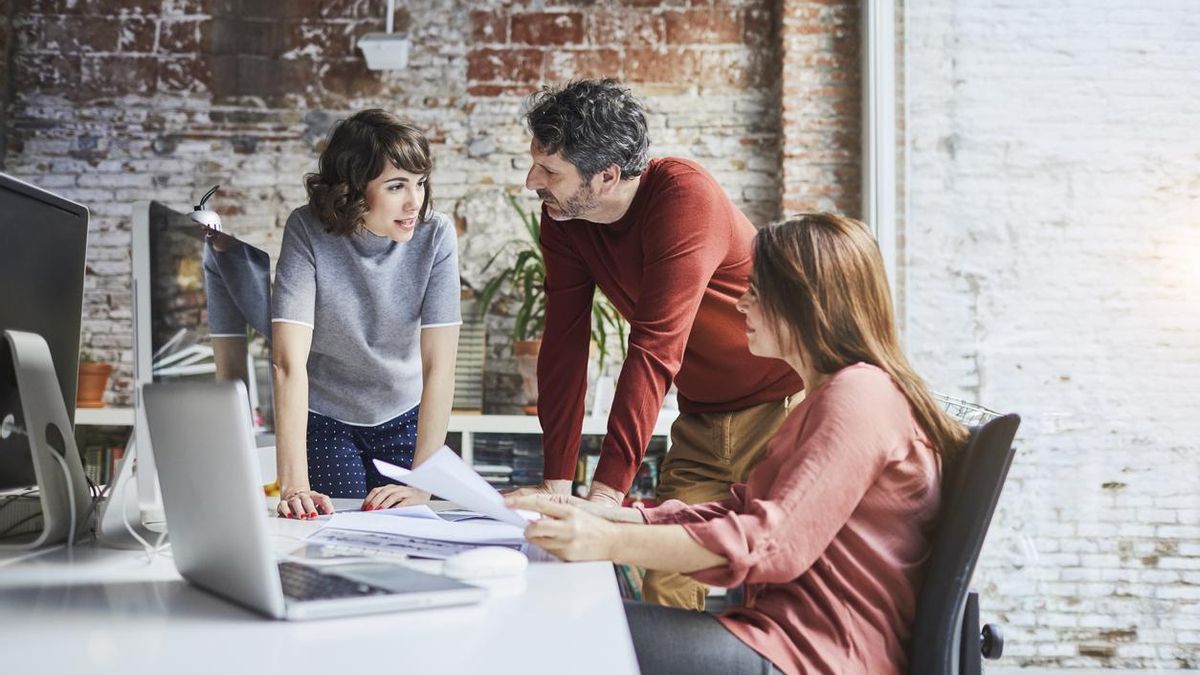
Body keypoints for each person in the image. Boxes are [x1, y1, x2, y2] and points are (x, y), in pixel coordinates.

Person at [507, 213, 969, 675]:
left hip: (817, 656)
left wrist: (607, 541)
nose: (741, 304)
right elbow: (738, 511)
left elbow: (769, 543)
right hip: (782, 639)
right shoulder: (829, 397)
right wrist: (601, 513)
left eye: (757, 290)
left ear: (805, 303)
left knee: (563, 628)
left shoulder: (859, 398)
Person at [513, 78, 803, 610]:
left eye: (550, 170)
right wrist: (557, 488)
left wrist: (603, 501)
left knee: (783, 578)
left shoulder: (682, 195)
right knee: (666, 582)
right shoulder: (564, 217)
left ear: (607, 176)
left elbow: (655, 348)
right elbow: (564, 343)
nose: (533, 181)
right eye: (535, 164)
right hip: (701, 421)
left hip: (781, 411)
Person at [271, 109, 461, 519]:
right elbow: (288, 362)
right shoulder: (307, 229)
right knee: (335, 532)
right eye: (396, 186)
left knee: (408, 531)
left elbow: (440, 365)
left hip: (406, 415)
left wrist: (425, 480)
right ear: (354, 188)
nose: (415, 202)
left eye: (420, 183)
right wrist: (293, 485)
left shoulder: (436, 235)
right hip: (328, 420)